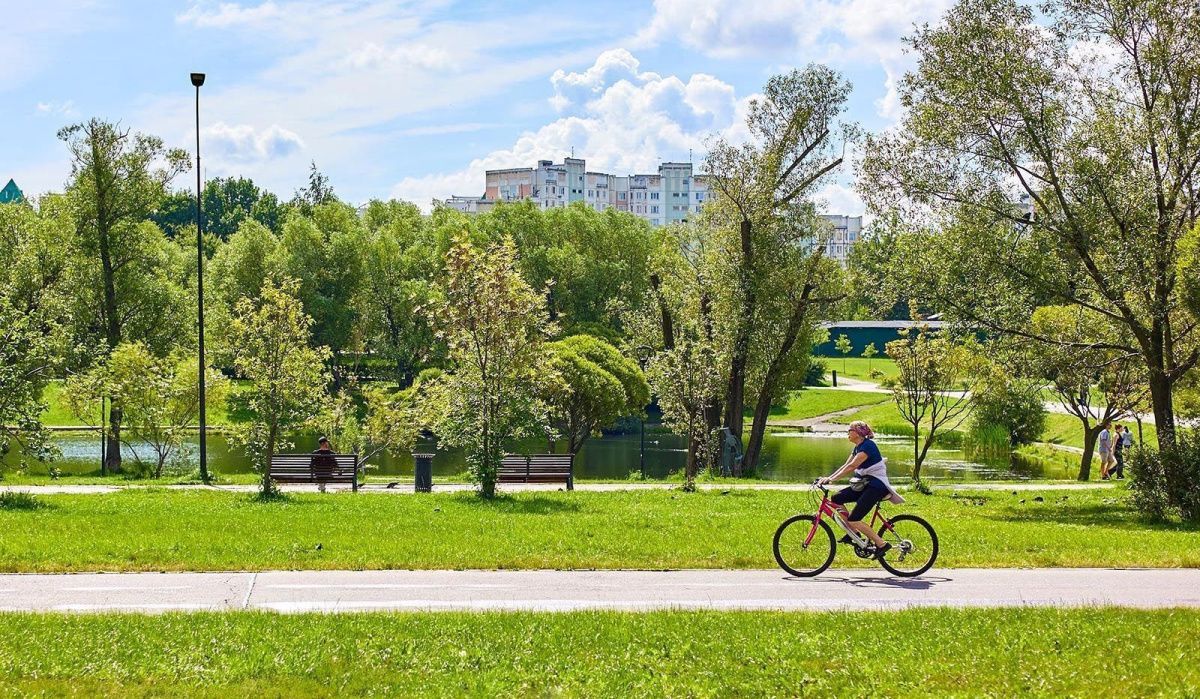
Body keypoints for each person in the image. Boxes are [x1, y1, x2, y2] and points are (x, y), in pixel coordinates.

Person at [817, 421, 904, 560]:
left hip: (876, 486)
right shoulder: (858, 447)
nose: (847, 433)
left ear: (858, 433)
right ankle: (854, 532)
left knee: (854, 518)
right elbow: (846, 465)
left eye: (849, 430)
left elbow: (852, 466)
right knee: (836, 499)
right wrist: (828, 477)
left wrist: (831, 480)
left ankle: (881, 544)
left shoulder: (868, 446)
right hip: (865, 485)